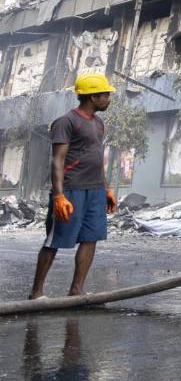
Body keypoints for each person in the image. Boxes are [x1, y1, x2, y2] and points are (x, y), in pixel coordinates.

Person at [28, 73, 118, 300]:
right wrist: (59, 195)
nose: (109, 98)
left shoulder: (98, 123)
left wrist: (106, 189)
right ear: (92, 97)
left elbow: (96, 158)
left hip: (95, 190)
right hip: (71, 191)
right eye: (105, 94)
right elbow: (57, 160)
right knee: (54, 240)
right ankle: (36, 292)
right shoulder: (65, 122)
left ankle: (76, 290)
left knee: (91, 238)